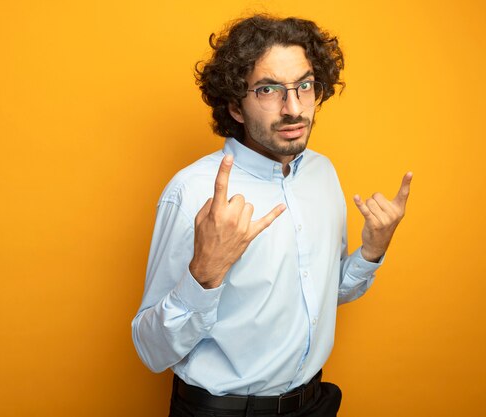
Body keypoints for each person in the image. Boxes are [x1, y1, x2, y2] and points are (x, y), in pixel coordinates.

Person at [132, 14, 413, 417]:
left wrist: (371, 253)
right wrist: (204, 274)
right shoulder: (192, 192)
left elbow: (319, 294)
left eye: (304, 85)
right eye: (268, 89)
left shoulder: (322, 173)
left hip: (313, 403)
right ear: (235, 105)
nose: (294, 108)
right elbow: (150, 349)